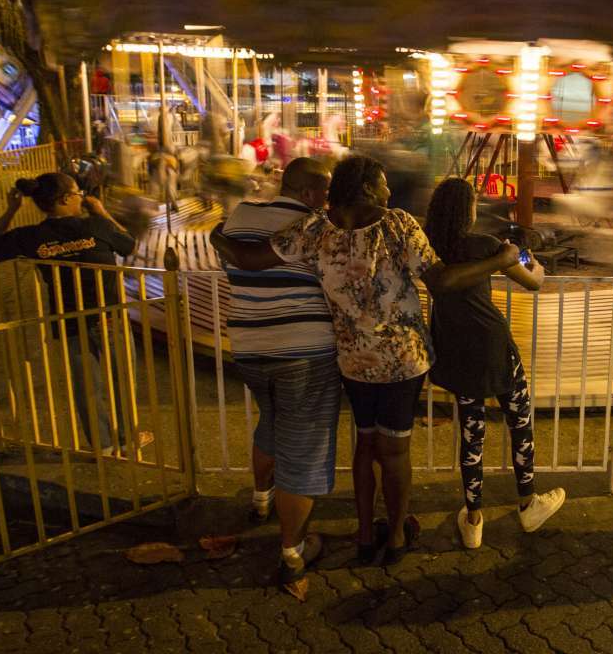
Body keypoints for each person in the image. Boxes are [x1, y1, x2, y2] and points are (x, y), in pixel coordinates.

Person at [210, 156, 520, 570]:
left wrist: (220, 239)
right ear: (368, 189)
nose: (390, 192)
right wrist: (502, 261)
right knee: (394, 450)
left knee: (365, 444)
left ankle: (362, 531)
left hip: (353, 360)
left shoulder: (315, 228)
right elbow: (442, 281)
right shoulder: (397, 225)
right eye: (384, 184)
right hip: (401, 361)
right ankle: (393, 535)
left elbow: (250, 259)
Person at [423, 178, 567, 549]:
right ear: (467, 210)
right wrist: (533, 263)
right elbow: (532, 282)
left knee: (472, 432)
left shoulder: (430, 248)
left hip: (455, 348)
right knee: (519, 421)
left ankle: (473, 519)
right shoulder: (485, 246)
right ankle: (527, 503)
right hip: (492, 344)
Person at [220, 158, 341, 586]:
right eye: (325, 192)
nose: (328, 200)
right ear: (310, 193)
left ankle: (260, 499)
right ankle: (293, 548)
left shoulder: (241, 214)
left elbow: (230, 268)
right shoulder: (317, 227)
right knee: (304, 447)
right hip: (304, 350)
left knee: (270, 420)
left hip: (248, 345)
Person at [0, 173, 149, 457]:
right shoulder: (97, 226)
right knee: (122, 380)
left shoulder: (32, 237)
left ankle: (103, 446)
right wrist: (102, 210)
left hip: (69, 320)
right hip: (109, 317)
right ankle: (127, 440)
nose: (82, 197)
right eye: (77, 192)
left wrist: (12, 209)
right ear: (65, 199)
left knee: (86, 386)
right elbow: (129, 245)